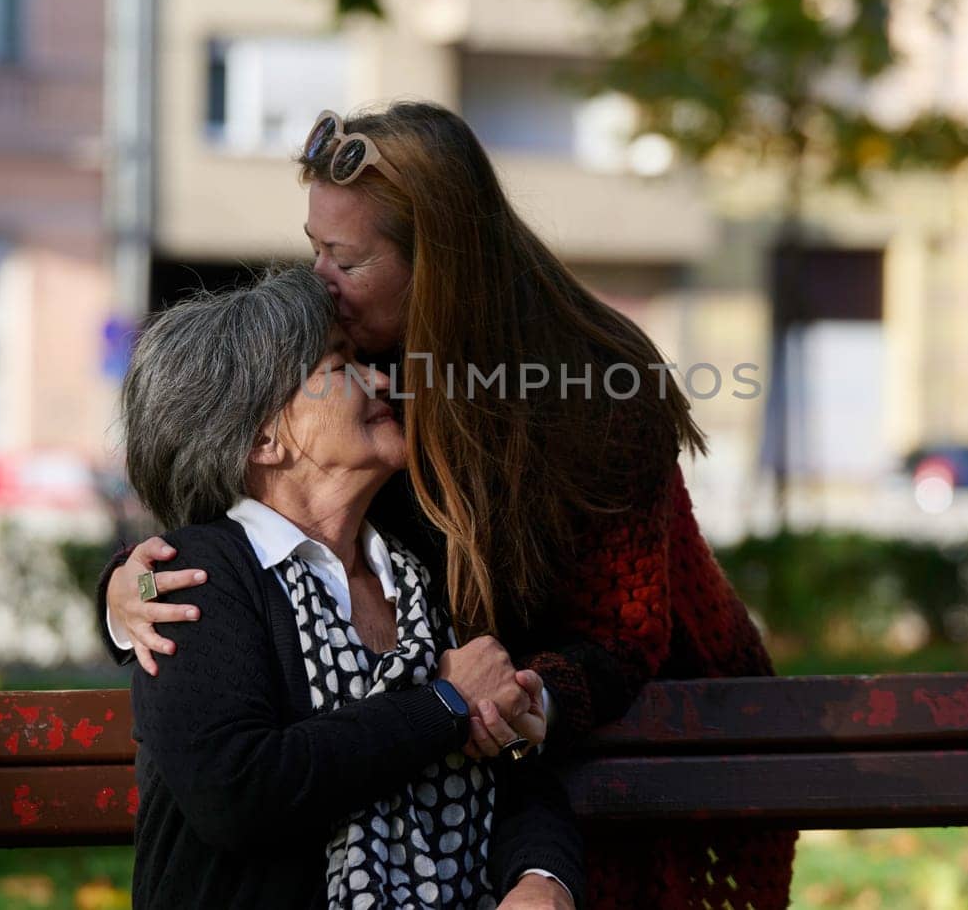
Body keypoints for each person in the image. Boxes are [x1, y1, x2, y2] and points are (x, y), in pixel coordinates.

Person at [102, 101, 796, 909]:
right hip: (445, 727)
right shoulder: (362, 363)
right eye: (314, 248)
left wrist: (526, 699)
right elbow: (249, 514)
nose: (320, 281)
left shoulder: (593, 388)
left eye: (347, 259)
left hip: (603, 728)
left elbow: (624, 632)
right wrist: (129, 589)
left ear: (436, 264)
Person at [119, 267, 582, 909]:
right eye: (341, 366)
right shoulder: (196, 576)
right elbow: (238, 793)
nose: (383, 379)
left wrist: (541, 879)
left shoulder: (425, 570)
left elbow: (515, 769)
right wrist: (443, 705)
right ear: (263, 438)